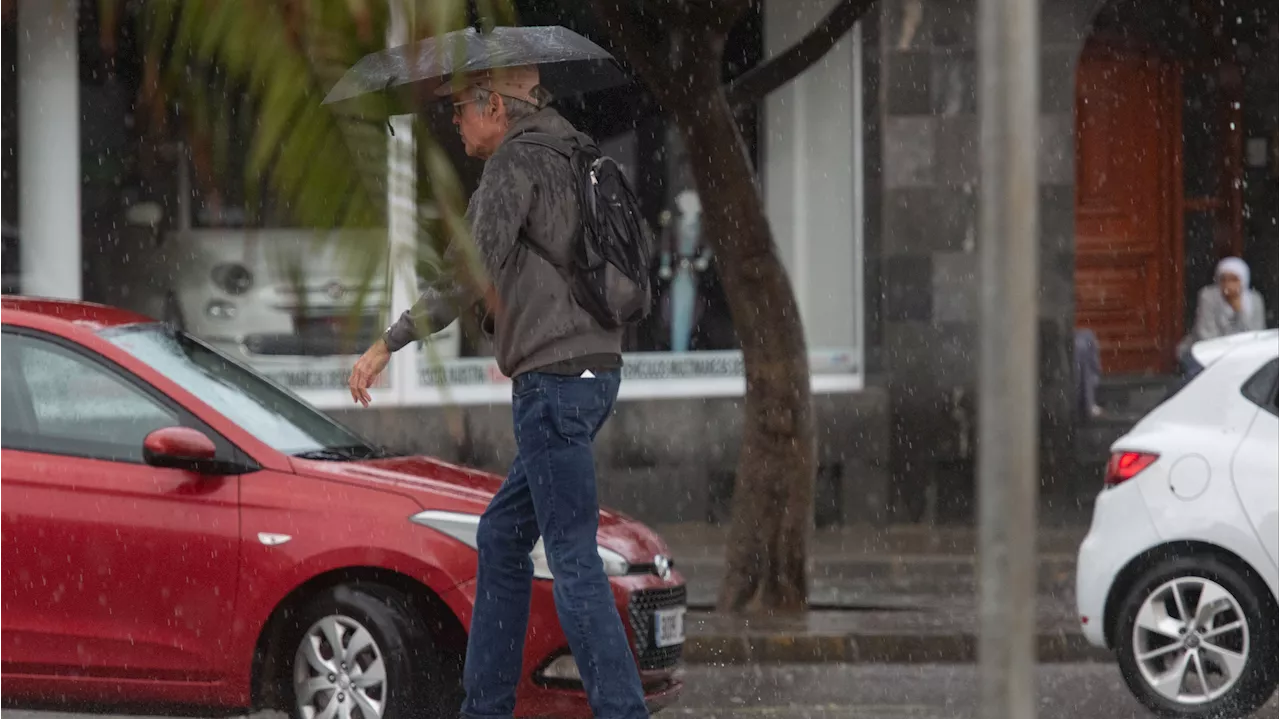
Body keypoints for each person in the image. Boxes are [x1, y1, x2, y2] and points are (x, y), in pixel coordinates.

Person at [346, 65, 649, 719]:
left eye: (461, 108)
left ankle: (621, 711)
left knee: (571, 557)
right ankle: (483, 705)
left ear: (497, 106)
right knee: (503, 534)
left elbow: (466, 272)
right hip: (595, 370)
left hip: (553, 380)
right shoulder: (575, 151)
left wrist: (387, 343)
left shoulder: (514, 165)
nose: (455, 121)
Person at [1177, 256, 1268, 378]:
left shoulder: (1255, 300)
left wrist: (1238, 309)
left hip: (1242, 354)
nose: (1227, 285)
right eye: (1223, 279)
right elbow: (1206, 335)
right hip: (1207, 352)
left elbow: (1256, 334)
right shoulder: (1208, 296)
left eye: (1234, 279)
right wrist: (1228, 354)